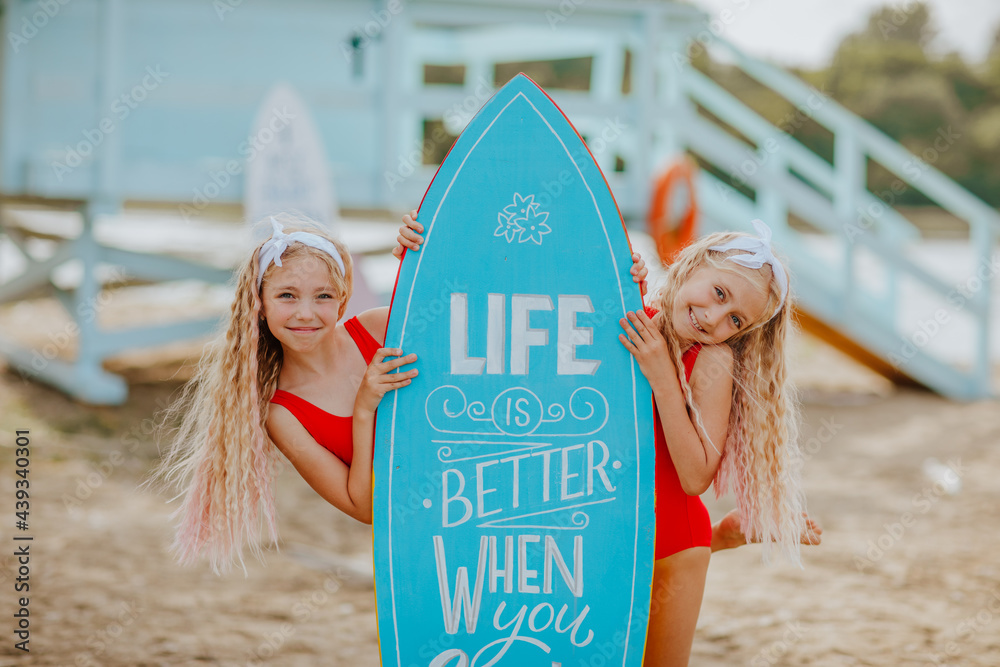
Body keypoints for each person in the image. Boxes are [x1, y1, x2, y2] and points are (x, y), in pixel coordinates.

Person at [156, 213, 418, 573]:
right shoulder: (285, 415)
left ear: (343, 301)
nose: (306, 313)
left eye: (323, 295)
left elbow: (468, 313)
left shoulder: (380, 328)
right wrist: (364, 409)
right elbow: (365, 508)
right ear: (259, 306)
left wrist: (424, 255)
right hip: (417, 535)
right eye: (287, 296)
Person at [617, 219, 812, 666]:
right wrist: (417, 234)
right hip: (600, 530)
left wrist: (664, 378)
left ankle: (712, 541)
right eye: (719, 294)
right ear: (690, 263)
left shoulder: (711, 360)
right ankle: (721, 538)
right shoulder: (628, 317)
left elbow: (693, 477)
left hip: (673, 546)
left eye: (735, 320)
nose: (714, 318)